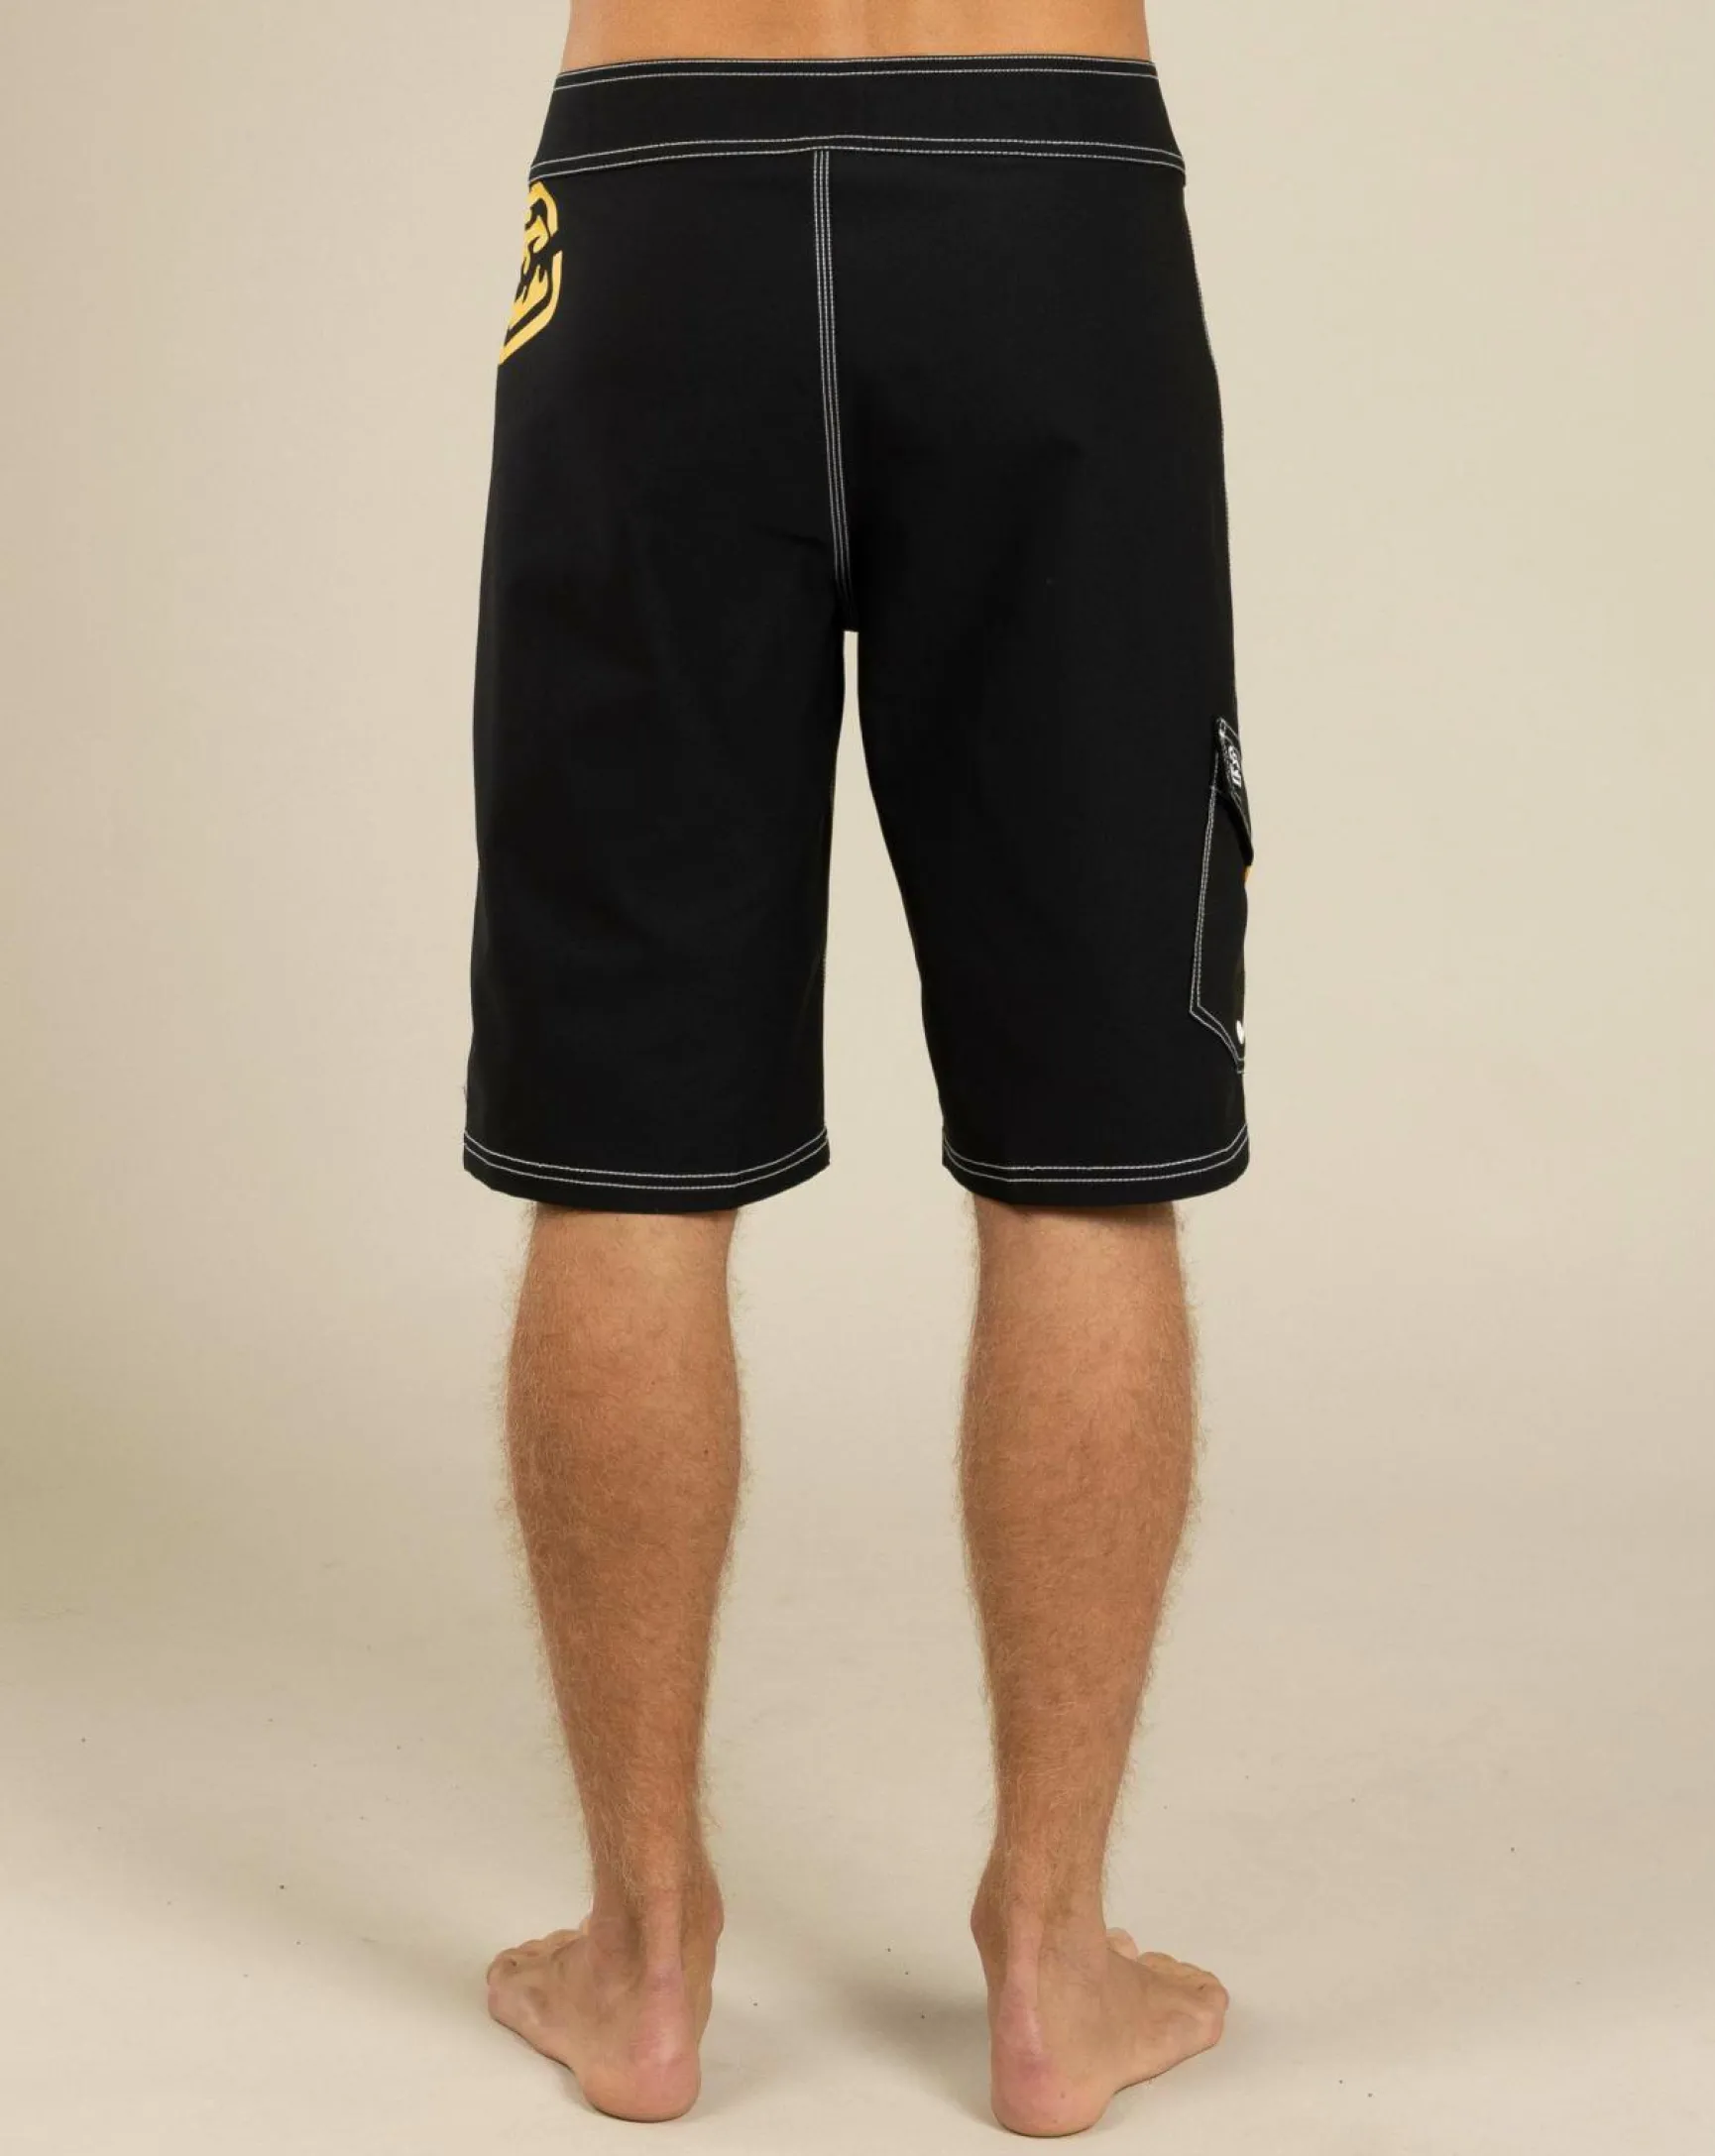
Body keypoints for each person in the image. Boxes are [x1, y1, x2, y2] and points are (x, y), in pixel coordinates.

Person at [463, 0, 1249, 2134]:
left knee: (619, 1149)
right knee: (1089, 1143)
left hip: (661, 191)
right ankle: (1055, 1965)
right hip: (1043, 192)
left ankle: (640, 1960)